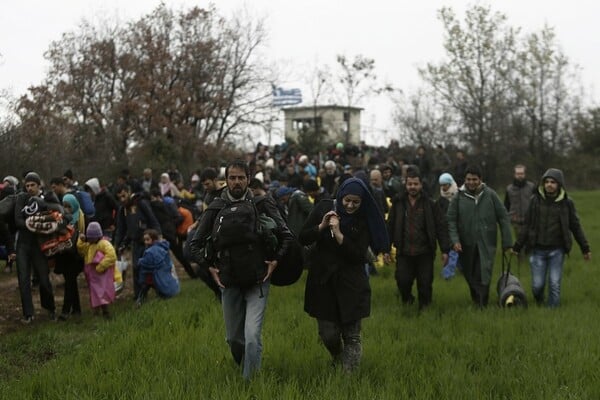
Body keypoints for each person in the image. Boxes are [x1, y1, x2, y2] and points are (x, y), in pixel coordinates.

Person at [188, 159, 293, 380]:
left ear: (248, 179)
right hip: (229, 280)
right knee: (234, 340)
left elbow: (286, 235)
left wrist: (275, 261)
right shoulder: (216, 207)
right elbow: (194, 245)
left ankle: (249, 385)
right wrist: (210, 268)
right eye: (232, 178)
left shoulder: (262, 203)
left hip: (258, 280)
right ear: (225, 181)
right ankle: (248, 367)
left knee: (252, 337)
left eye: (241, 178)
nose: (237, 182)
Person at [299, 177, 389, 372]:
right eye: (347, 200)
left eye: (356, 202)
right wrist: (321, 227)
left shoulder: (364, 219)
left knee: (352, 335)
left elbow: (359, 255)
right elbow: (303, 236)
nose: (350, 205)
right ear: (340, 196)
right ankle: (337, 357)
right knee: (328, 334)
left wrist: (340, 236)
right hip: (323, 281)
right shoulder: (324, 208)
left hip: (352, 282)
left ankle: (348, 379)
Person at [512, 168, 591, 307]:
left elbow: (575, 226)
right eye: (547, 182)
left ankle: (552, 312)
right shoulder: (535, 201)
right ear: (543, 184)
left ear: (559, 184)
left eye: (553, 182)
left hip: (557, 251)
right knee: (537, 286)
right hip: (537, 250)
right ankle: (539, 301)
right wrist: (517, 246)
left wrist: (585, 248)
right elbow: (527, 225)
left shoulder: (567, 203)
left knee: (554, 284)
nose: (549, 185)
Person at [446, 165, 513, 307]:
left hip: (486, 243)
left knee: (483, 273)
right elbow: (451, 220)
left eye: (474, 179)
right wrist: (455, 241)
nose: (471, 182)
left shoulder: (490, 195)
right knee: (469, 274)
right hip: (465, 244)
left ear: (480, 180)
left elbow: (503, 217)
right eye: (468, 179)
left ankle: (482, 304)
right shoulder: (458, 197)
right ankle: (478, 300)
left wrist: (507, 242)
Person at [387, 168, 450, 310]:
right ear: (406, 185)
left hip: (425, 252)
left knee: (425, 283)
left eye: (415, 184)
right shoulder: (398, 203)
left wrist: (445, 250)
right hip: (404, 251)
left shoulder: (430, 203)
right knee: (402, 282)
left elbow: (441, 226)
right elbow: (390, 226)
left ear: (421, 185)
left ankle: (425, 309)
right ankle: (408, 300)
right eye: (410, 184)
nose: (413, 187)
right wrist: (386, 249)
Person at [14, 172, 58, 323]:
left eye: (32, 185)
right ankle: (28, 314)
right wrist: (33, 222)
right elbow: (17, 220)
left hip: (39, 245)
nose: (30, 188)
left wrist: (39, 222)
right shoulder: (21, 198)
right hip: (23, 245)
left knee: (44, 278)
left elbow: (54, 216)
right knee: (23, 280)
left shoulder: (46, 199)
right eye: (27, 185)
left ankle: (50, 309)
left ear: (39, 185)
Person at [114, 185, 161, 298]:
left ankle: (161, 290)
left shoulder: (140, 203)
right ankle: (139, 295)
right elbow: (121, 229)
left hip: (148, 242)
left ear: (129, 192)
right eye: (119, 198)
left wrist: (158, 236)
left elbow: (152, 219)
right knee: (136, 268)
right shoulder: (123, 210)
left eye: (124, 196)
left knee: (152, 267)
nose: (122, 199)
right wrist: (117, 244)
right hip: (135, 242)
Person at [54, 193, 85, 320]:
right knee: (70, 282)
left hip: (76, 255)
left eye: (69, 206)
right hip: (64, 255)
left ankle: (65, 311)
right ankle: (76, 310)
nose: (66, 209)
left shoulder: (80, 218)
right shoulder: (61, 219)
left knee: (70, 282)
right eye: (64, 206)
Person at [77, 222, 117, 318]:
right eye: (88, 237)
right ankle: (97, 312)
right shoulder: (89, 245)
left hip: (101, 274)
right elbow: (81, 250)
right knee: (95, 293)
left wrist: (101, 267)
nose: (90, 239)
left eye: (91, 237)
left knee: (102, 292)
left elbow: (111, 256)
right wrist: (81, 240)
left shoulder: (104, 243)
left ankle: (104, 312)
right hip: (92, 275)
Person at [136, 229, 180, 306]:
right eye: (145, 240)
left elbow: (148, 263)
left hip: (150, 274)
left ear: (153, 239)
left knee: (145, 287)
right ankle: (160, 297)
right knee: (155, 287)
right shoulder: (162, 247)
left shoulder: (150, 251)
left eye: (147, 239)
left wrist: (140, 261)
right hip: (159, 273)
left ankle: (140, 301)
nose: (145, 242)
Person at [504, 164, 536, 239]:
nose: (520, 175)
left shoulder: (532, 187)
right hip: (516, 221)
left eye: (521, 173)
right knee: (519, 242)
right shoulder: (509, 189)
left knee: (530, 243)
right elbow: (506, 205)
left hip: (530, 221)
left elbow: (536, 204)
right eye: (518, 174)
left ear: (524, 174)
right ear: (514, 174)